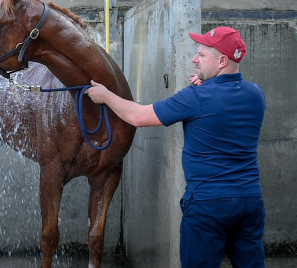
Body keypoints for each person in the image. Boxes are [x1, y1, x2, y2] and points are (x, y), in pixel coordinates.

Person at [85, 26, 266, 268]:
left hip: (208, 205)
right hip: (249, 201)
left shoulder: (195, 98)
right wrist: (206, 85)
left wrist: (106, 96)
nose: (194, 58)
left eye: (201, 55)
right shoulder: (255, 94)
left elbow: (138, 116)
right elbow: (223, 104)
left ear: (222, 60)